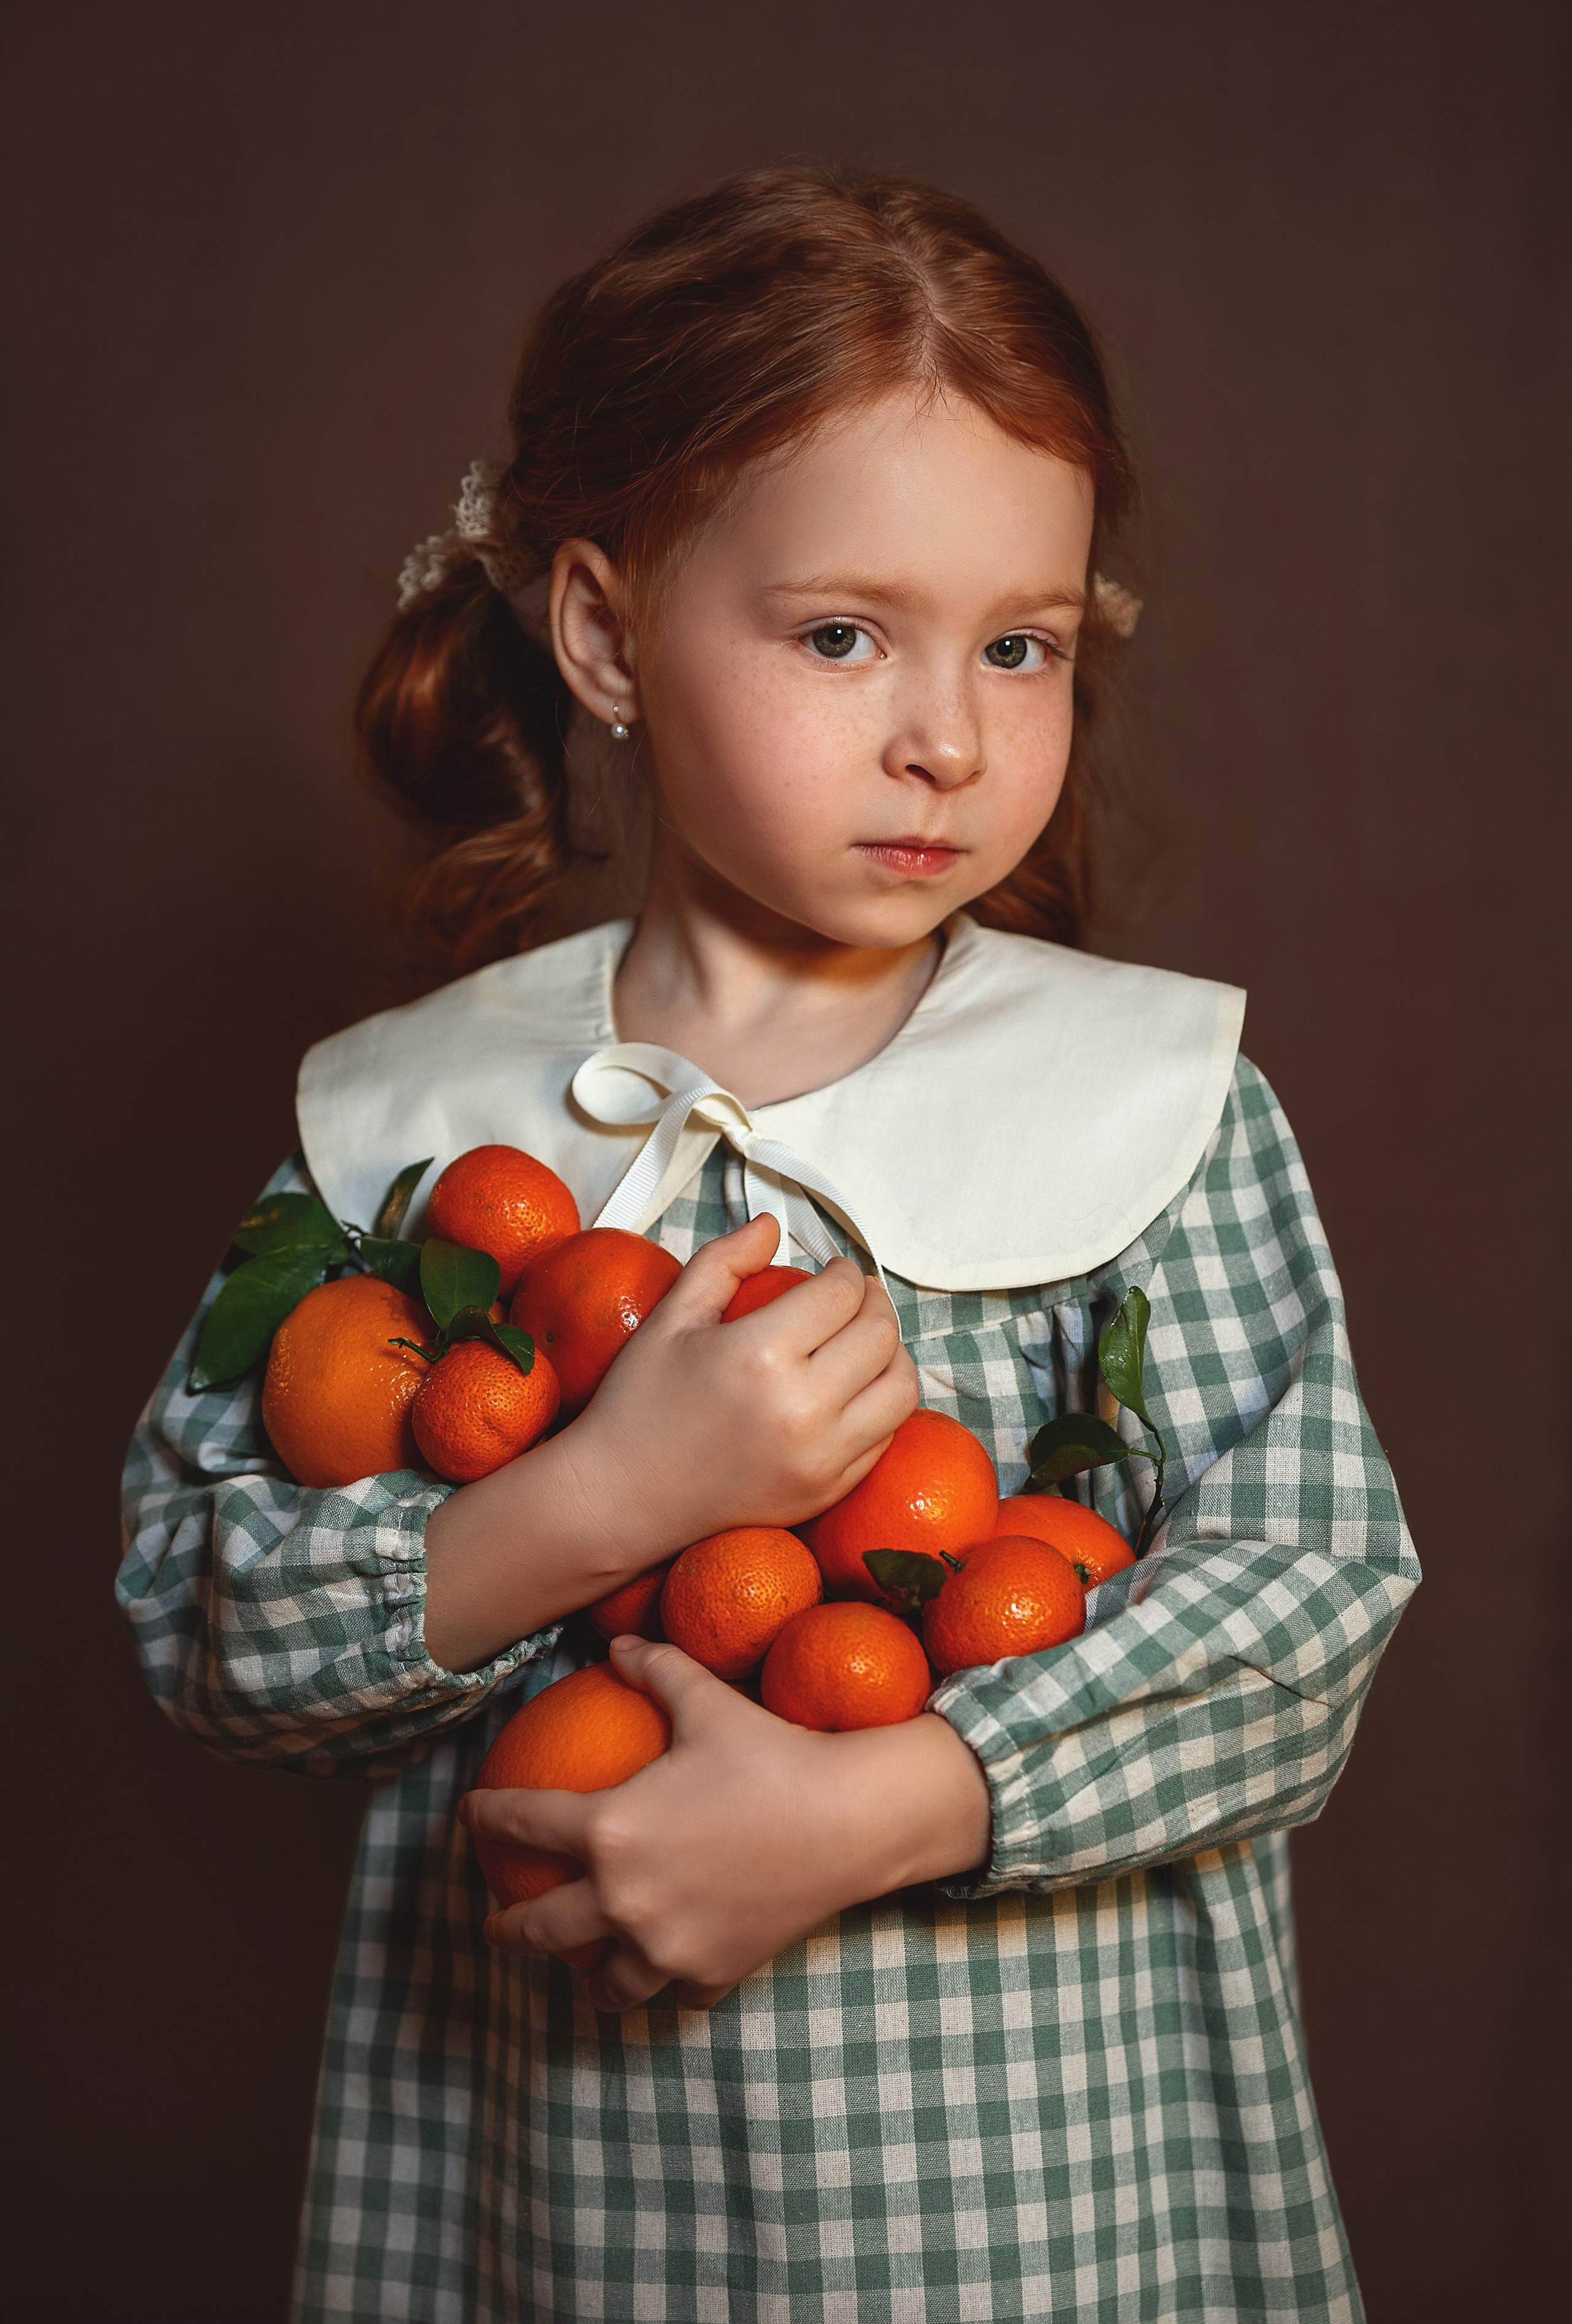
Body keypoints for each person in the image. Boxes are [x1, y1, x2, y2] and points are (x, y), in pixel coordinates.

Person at [120, 166, 1417, 2323]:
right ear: (611, 633)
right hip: (564, 2216)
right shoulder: (414, 1139)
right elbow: (203, 1619)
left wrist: (891, 1803)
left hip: (1047, 2213)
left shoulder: (1155, 1111)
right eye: (843, 633)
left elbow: (1310, 1604)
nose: (950, 733)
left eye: (1023, 645)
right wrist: (597, 1500)